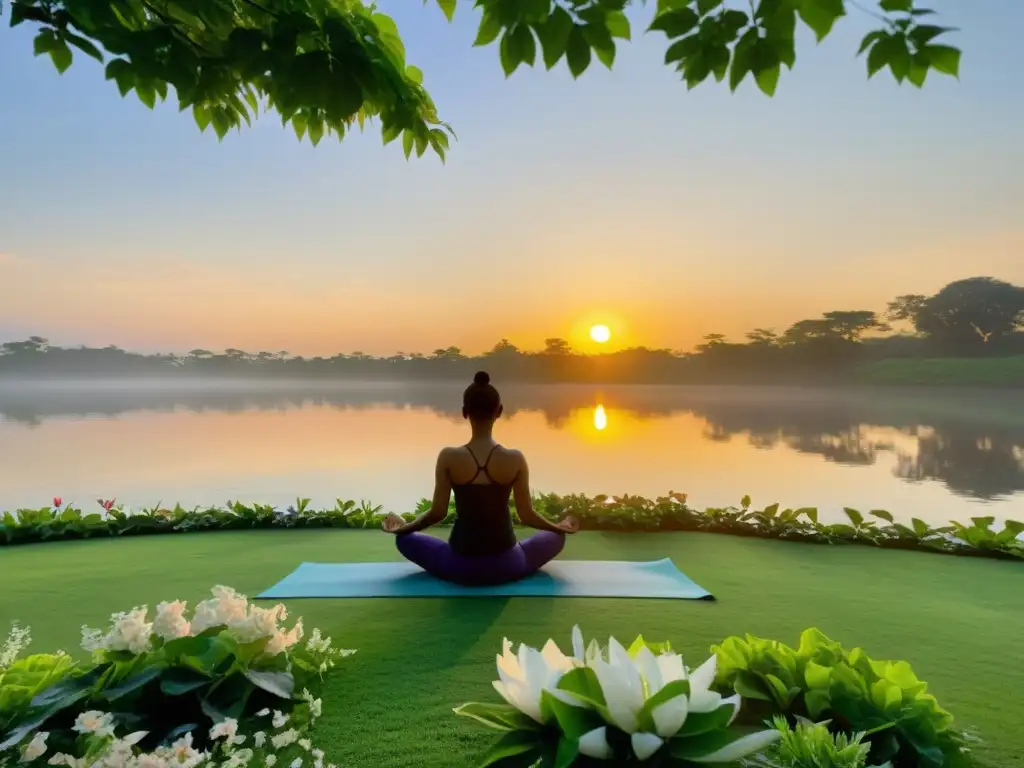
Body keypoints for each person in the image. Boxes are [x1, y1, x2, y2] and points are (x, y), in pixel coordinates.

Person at [381, 371, 579, 586]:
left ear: (464, 412)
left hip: (458, 565)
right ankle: (559, 528)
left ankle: (401, 527)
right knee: (556, 538)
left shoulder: (448, 457)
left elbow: (437, 513)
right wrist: (558, 527)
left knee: (404, 540)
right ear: (499, 411)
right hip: (508, 564)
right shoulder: (515, 458)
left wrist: (406, 528)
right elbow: (527, 515)